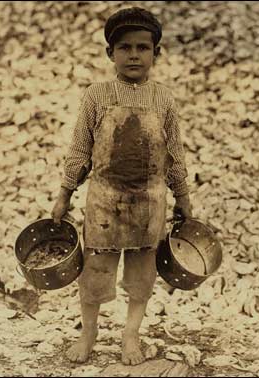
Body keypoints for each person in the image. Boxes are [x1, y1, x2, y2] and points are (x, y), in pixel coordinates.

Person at [51, 7, 192, 366]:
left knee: (142, 274)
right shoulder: (97, 95)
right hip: (104, 201)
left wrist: (184, 198)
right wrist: (64, 194)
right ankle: (89, 332)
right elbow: (80, 149)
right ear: (110, 53)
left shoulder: (163, 99)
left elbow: (174, 153)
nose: (134, 55)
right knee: (95, 271)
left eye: (143, 48)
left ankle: (131, 335)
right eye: (125, 47)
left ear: (156, 54)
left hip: (149, 202)